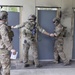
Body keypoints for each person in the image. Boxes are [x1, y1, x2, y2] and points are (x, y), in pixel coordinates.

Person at [0, 11, 16, 75]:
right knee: (6, 67)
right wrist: (11, 48)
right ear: (4, 18)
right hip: (3, 49)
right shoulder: (3, 26)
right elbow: (5, 38)